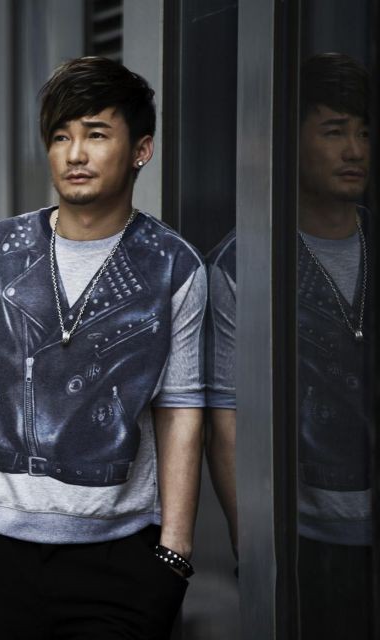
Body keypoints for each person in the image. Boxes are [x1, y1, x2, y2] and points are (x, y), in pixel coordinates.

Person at [0, 56, 207, 640]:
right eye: (61, 136)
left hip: (119, 556)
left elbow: (180, 408)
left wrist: (175, 549)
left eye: (96, 134)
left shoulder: (172, 265)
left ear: (142, 149)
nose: (75, 153)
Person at [206, 52, 372, 639]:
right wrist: (251, 550)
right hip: (303, 541)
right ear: (291, 139)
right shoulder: (245, 263)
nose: (354, 150)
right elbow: (226, 419)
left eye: (364, 132)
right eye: (334, 131)